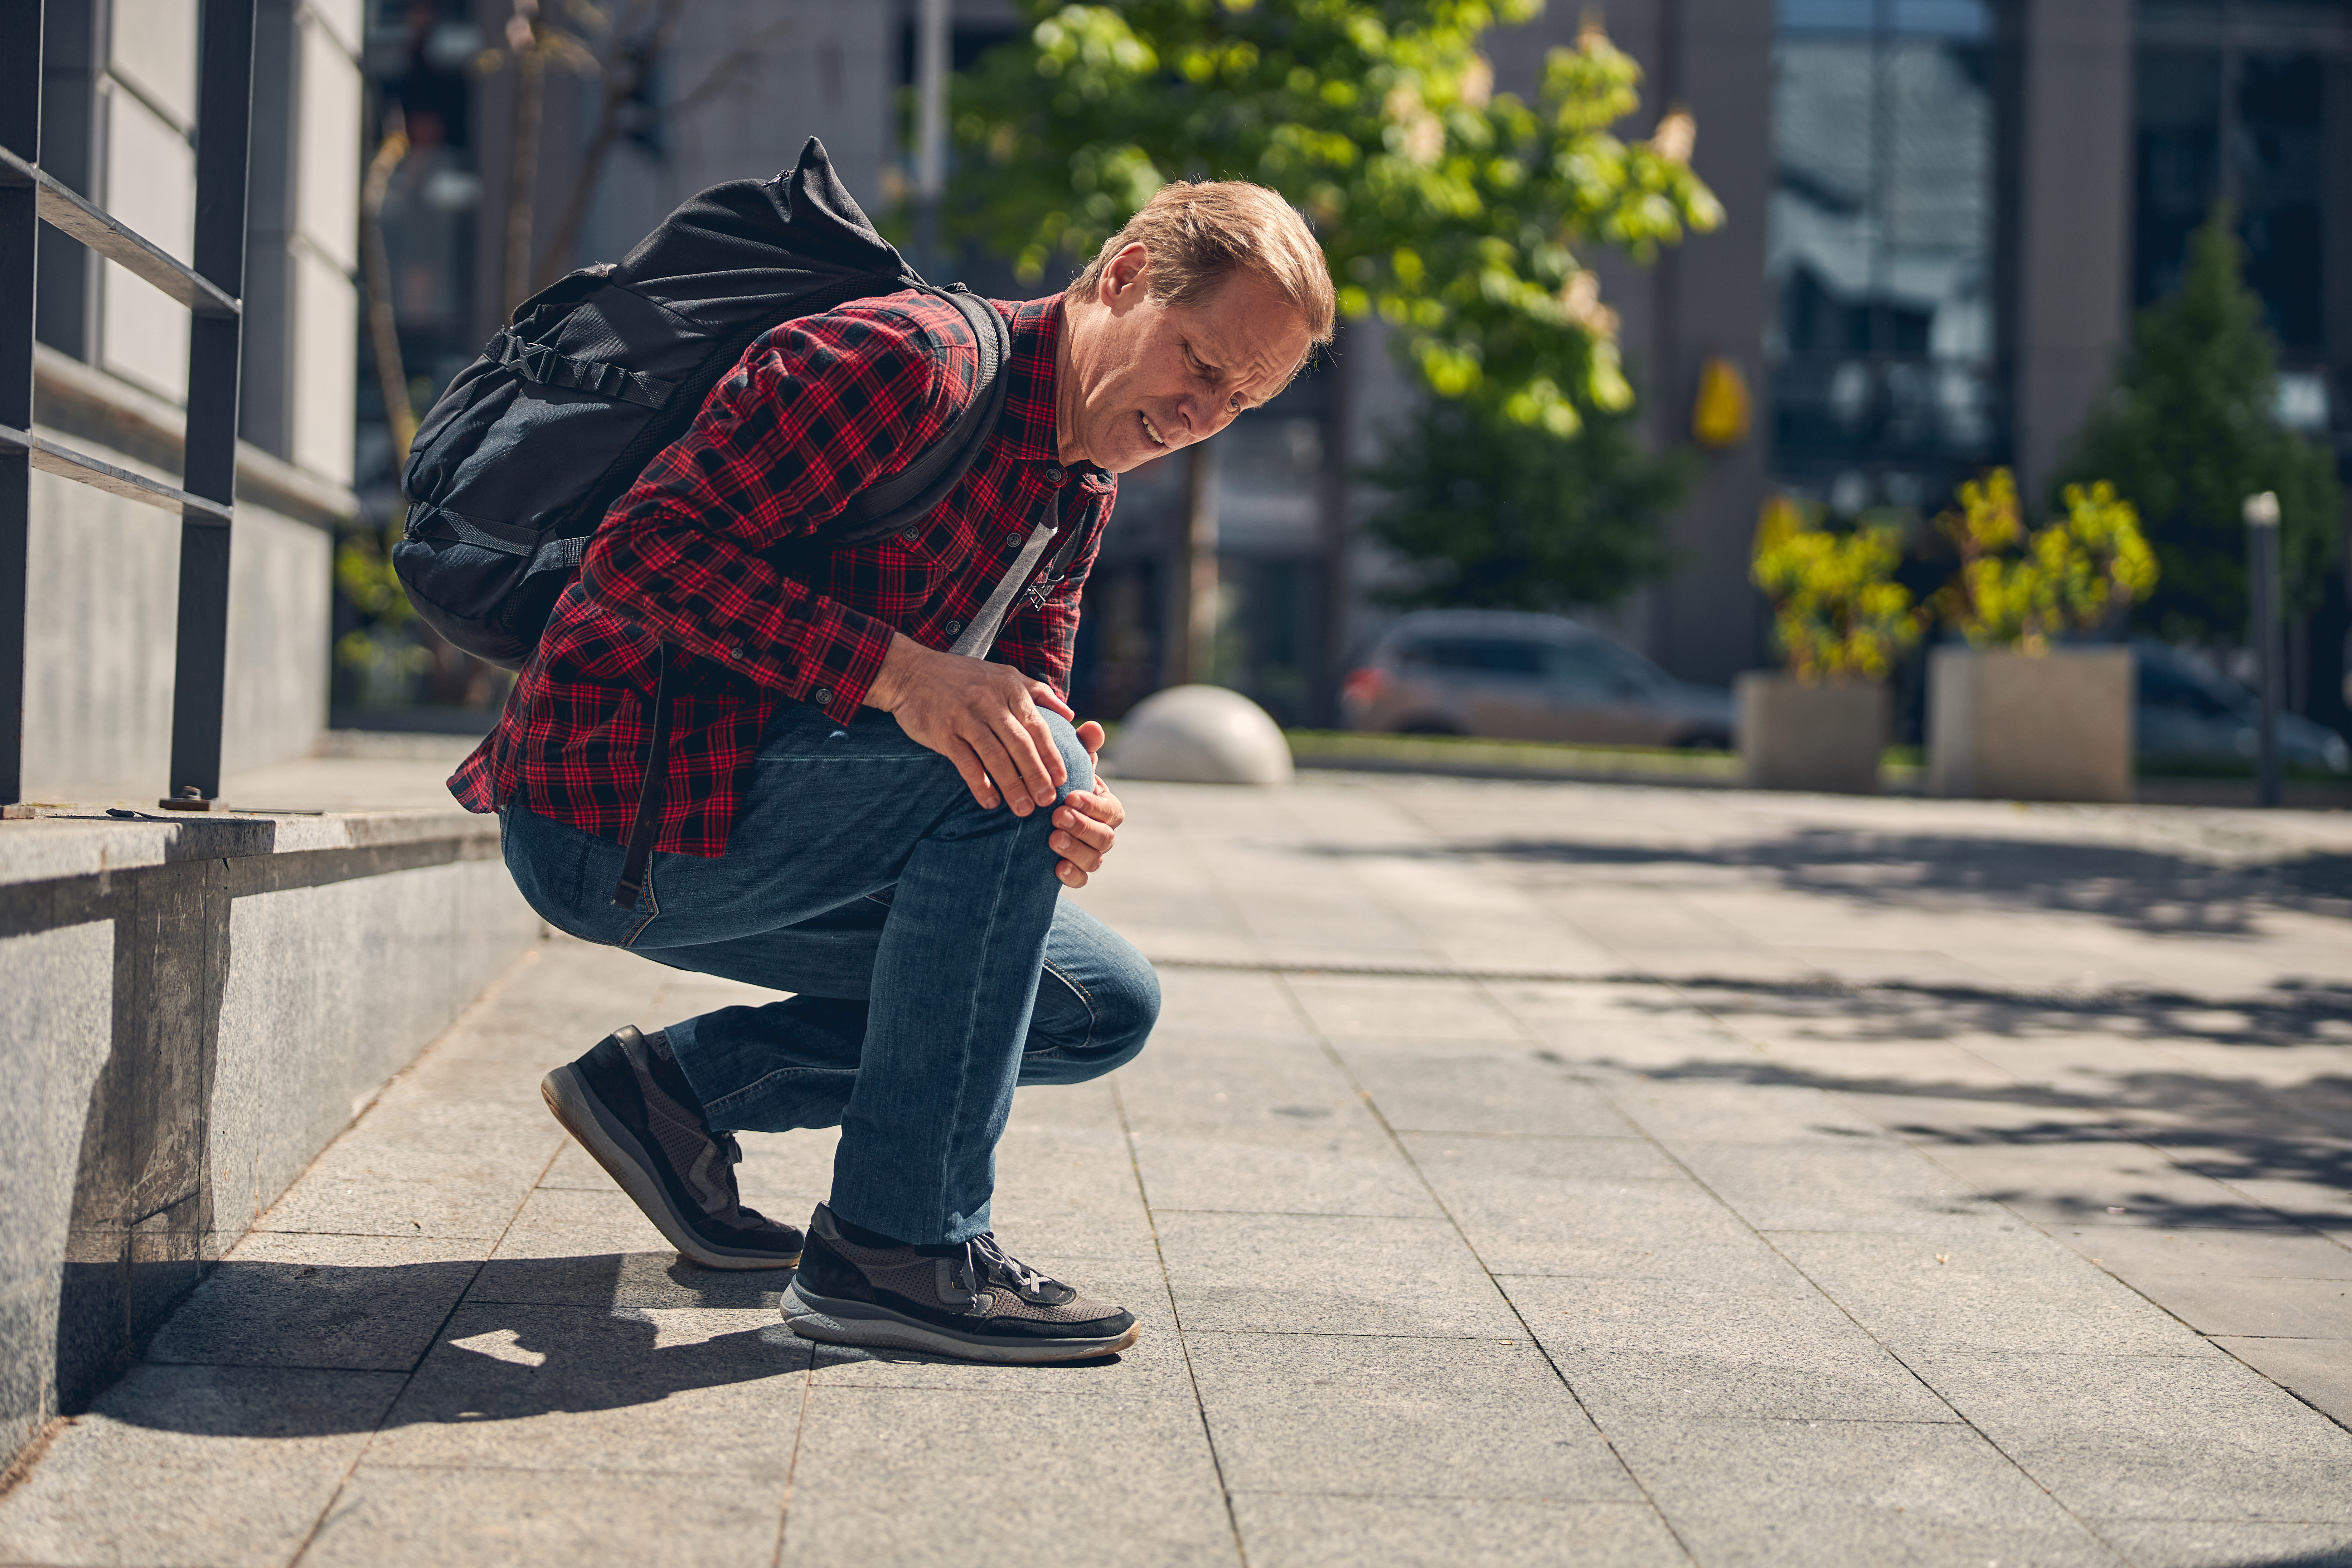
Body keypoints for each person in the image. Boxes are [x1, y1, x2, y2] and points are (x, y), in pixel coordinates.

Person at [448, 180, 1334, 1363]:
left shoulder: (1076, 485)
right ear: (1123, 278)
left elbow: (1032, 694)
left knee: (1096, 1007)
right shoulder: (901, 366)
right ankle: (897, 1249)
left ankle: (673, 1098)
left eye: (1242, 397)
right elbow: (641, 556)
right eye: (1199, 362)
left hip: (758, 825)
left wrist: (1076, 801)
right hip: (619, 822)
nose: (1202, 410)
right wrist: (911, 681)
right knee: (1016, 763)